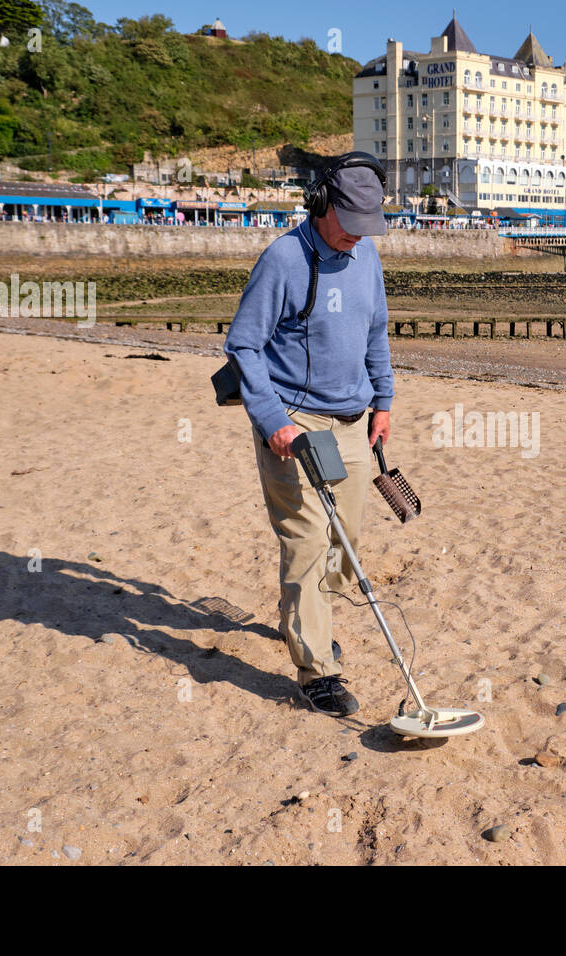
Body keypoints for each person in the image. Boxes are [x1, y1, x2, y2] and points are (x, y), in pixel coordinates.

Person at [223, 154, 393, 718]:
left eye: (368, 226)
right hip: (298, 424)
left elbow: (376, 333)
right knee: (306, 538)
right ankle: (317, 668)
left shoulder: (365, 254)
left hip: (352, 421)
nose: (357, 237)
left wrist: (383, 401)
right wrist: (275, 422)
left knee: (345, 546)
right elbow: (243, 345)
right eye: (349, 223)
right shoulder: (283, 260)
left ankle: (306, 618)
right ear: (320, 205)